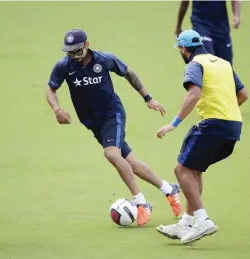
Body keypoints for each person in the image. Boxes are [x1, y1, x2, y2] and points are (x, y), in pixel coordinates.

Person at [46, 29, 183, 226]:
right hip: (92, 123)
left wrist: (148, 98)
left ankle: (141, 203)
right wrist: (57, 109)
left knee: (111, 154)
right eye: (70, 52)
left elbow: (128, 72)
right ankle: (169, 189)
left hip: (113, 114)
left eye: (77, 51)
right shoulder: (63, 66)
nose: (74, 56)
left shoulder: (104, 60)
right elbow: (51, 88)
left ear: (87, 45)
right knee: (131, 163)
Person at [156, 30, 248, 244]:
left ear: (184, 49)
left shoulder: (195, 64)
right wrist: (227, 111)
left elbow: (194, 94)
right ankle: (187, 222)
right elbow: (243, 94)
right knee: (194, 169)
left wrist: (173, 123)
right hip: (233, 127)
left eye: (180, 49)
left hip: (213, 124)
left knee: (181, 170)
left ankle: (202, 219)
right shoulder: (223, 63)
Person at [175, 0, 241, 65]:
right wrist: (178, 25)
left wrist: (236, 16)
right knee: (205, 60)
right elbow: (185, 1)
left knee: (227, 65)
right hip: (201, 24)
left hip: (221, 27)